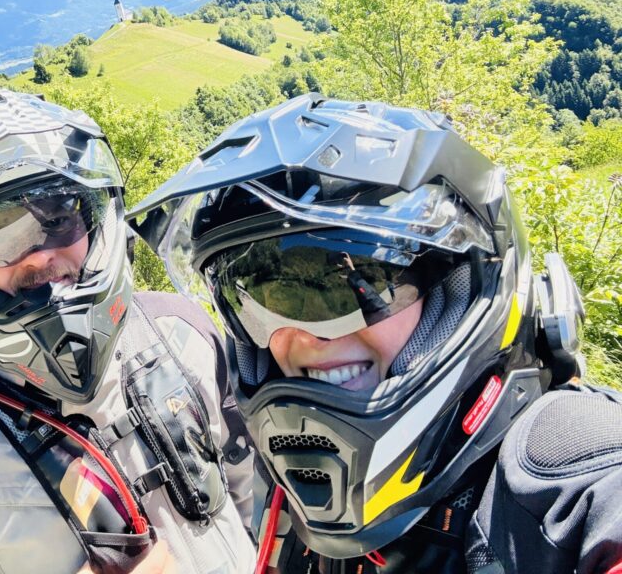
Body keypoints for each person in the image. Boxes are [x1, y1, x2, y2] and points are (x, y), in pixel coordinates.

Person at [128, 93, 622, 574]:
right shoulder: (284, 494)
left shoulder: (571, 472)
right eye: (256, 299)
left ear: (462, 284)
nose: (300, 335)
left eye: (344, 291)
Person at [0, 89, 257, 574]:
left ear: (93, 214)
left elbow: (255, 503)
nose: (36, 254)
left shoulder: (184, 334)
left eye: (56, 216)